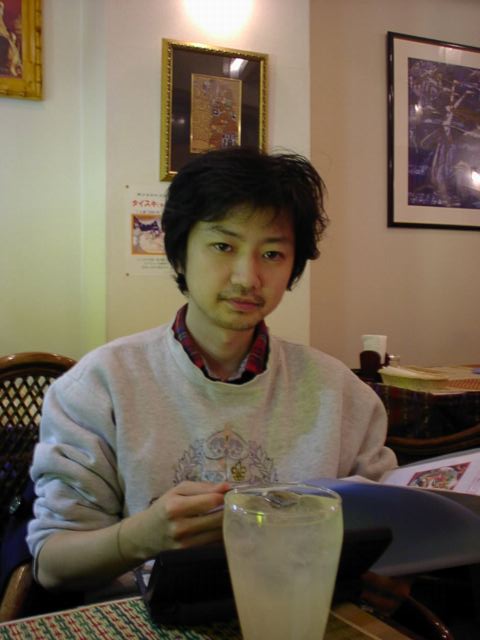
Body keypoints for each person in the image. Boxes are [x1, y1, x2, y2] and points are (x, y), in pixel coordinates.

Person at [27, 147, 396, 594]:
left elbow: (392, 532)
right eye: (223, 246)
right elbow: (52, 564)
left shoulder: (341, 394)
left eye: (272, 254)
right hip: (142, 617)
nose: (247, 277)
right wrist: (139, 537)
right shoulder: (99, 387)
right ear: (180, 254)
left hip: (297, 610)